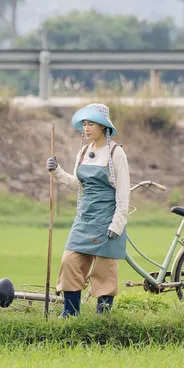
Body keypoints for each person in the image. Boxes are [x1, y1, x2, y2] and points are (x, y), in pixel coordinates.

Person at [45, 102, 131, 317]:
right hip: (84, 217)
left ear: (103, 126)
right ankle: (70, 314)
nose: (86, 128)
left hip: (107, 219)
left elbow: (123, 193)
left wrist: (117, 223)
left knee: (104, 271)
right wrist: (57, 172)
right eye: (84, 124)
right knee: (70, 262)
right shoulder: (83, 152)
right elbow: (77, 184)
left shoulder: (116, 153)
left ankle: (103, 319)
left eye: (91, 123)